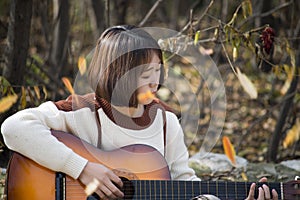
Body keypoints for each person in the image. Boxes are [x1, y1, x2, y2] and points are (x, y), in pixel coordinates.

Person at [1, 25, 277, 200]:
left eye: (157, 71)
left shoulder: (166, 122)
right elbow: (13, 128)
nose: (155, 82)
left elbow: (184, 183)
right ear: (116, 74)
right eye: (145, 74)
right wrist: (82, 169)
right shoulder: (82, 112)